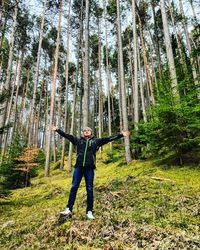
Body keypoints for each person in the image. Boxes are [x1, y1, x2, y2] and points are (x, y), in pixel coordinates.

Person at [51, 125, 130, 219]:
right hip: (78, 168)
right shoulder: (78, 140)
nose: (86, 131)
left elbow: (109, 138)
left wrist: (120, 135)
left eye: (88, 130)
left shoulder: (96, 141)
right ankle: (68, 209)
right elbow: (67, 135)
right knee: (74, 187)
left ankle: (89, 212)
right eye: (84, 130)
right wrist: (57, 130)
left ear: (91, 132)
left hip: (89, 169)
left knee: (89, 189)